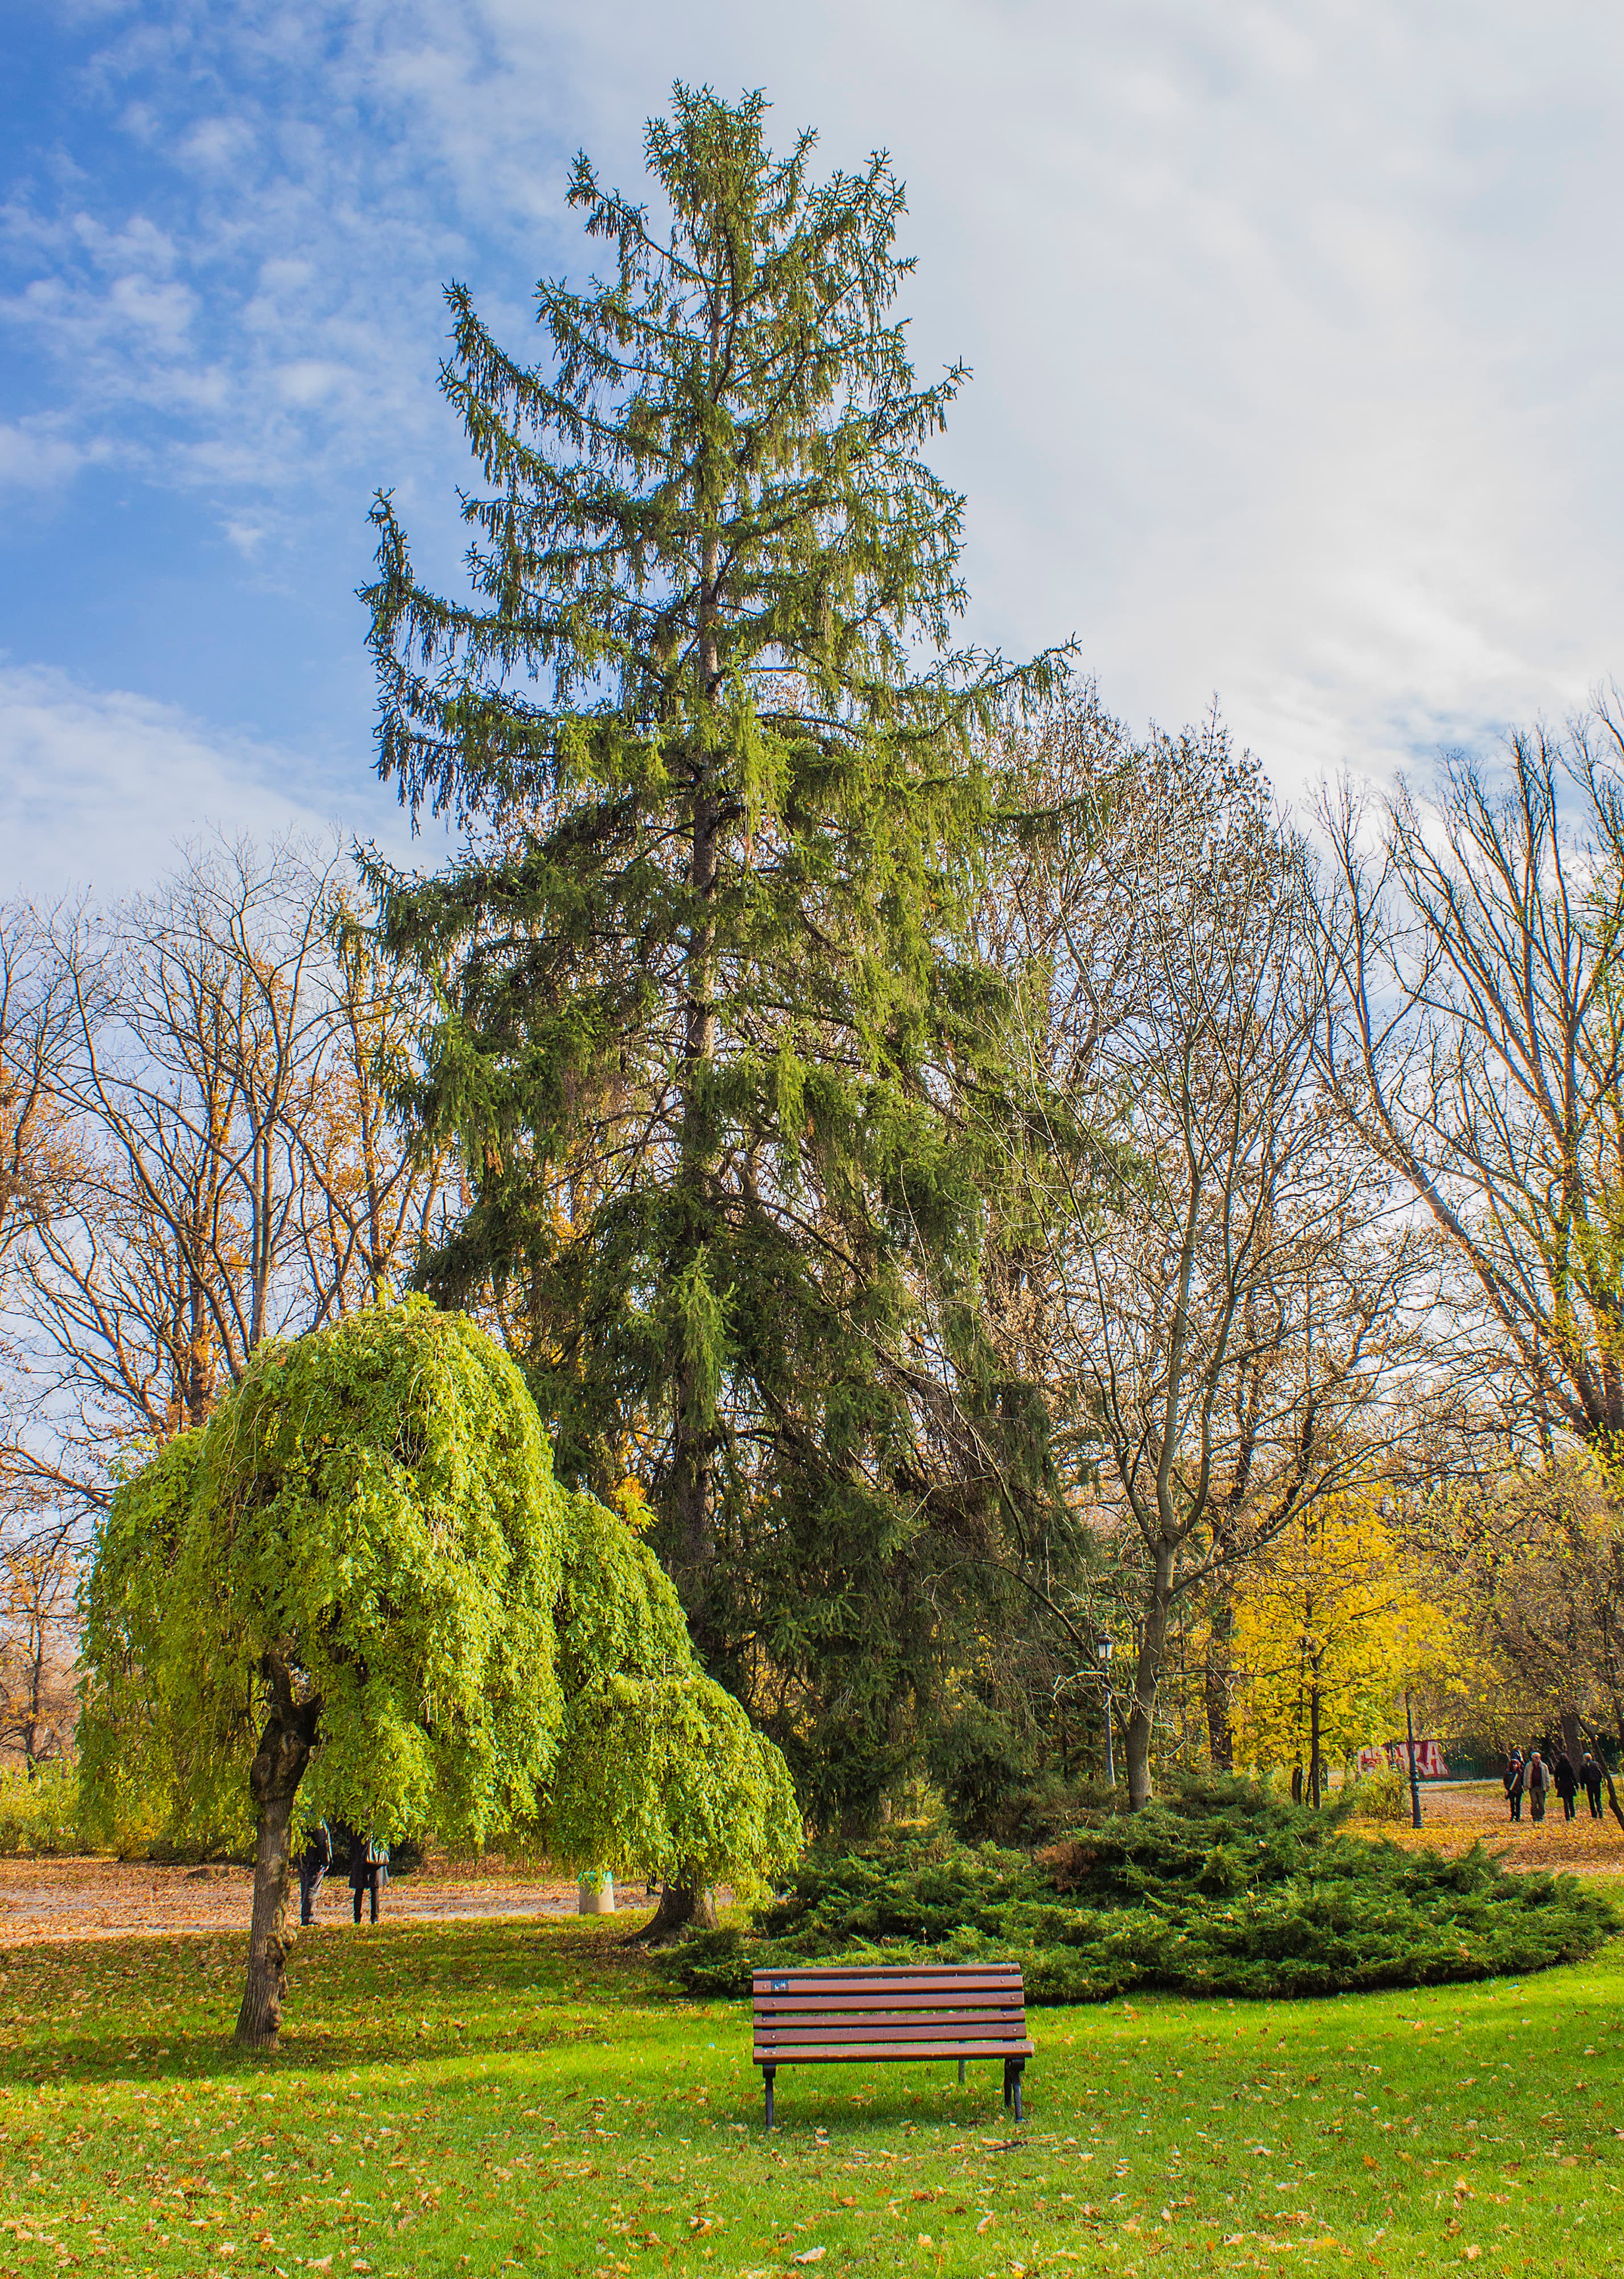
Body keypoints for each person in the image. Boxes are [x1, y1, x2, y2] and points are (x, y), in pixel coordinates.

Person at [350, 1830, 390, 1925]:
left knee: (359, 1890)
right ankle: (375, 1918)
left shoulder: (357, 1823)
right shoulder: (379, 1823)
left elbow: (352, 1842)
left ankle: (357, 1919)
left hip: (360, 1859)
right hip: (376, 1860)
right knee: (374, 1890)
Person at [297, 1821, 333, 1925]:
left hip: (303, 1859)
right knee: (312, 1889)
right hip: (314, 1860)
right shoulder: (316, 1820)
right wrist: (326, 1861)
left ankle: (306, 1916)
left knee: (306, 1888)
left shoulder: (301, 1818)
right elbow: (322, 1842)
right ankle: (308, 1917)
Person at [1523, 1747, 1548, 1824]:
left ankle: (1541, 1816)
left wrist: (1547, 1786)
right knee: (1534, 1802)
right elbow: (1526, 1775)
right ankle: (1534, 1816)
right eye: (1535, 1757)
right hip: (1532, 1787)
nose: (1537, 1759)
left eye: (1538, 1757)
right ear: (1532, 1758)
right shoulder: (1528, 1766)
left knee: (1541, 1802)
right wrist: (1525, 1785)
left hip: (1541, 1787)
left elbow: (1547, 1776)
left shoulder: (1544, 1766)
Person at [1553, 1750, 1580, 1822]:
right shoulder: (1569, 1766)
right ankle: (1573, 1815)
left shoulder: (1558, 1766)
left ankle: (1567, 1816)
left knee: (1565, 1800)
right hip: (1569, 1784)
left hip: (1562, 1784)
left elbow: (1556, 1776)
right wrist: (1576, 1785)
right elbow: (1573, 1776)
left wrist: (1556, 1784)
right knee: (1571, 1801)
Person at [1581, 1751, 1605, 1819]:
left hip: (1589, 1784)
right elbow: (1600, 1773)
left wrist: (1582, 1786)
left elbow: (1582, 1777)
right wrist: (1601, 1781)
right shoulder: (1596, 1764)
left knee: (1591, 1799)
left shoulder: (1584, 1766)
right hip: (1597, 1783)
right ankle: (1600, 1810)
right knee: (1598, 1798)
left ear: (1585, 1758)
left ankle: (1594, 1814)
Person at [1504, 1749, 1524, 1823]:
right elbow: (1505, 1781)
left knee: (1518, 1804)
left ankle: (1518, 1817)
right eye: (1513, 1764)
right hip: (1511, 1790)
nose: (1514, 1766)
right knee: (1512, 1803)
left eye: (1516, 1764)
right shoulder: (1508, 1772)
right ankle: (1513, 1815)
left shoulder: (1520, 1772)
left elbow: (1522, 1781)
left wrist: (1523, 1786)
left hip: (1519, 1790)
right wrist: (1508, 1788)